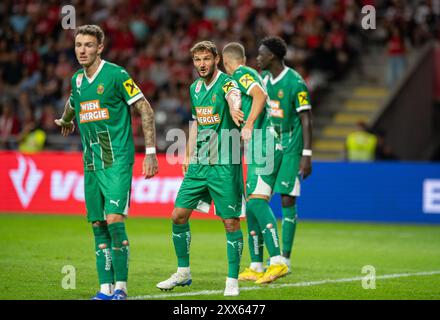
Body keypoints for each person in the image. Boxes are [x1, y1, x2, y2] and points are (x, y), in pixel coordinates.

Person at [54, 25, 158, 300]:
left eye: (88, 45)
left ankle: (121, 287)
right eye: (78, 45)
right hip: (91, 163)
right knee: (98, 224)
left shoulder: (116, 75)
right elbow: (73, 102)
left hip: (117, 161)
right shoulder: (76, 80)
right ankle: (104, 289)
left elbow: (144, 107)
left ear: (100, 47)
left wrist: (150, 151)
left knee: (114, 219)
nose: (82, 50)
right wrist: (66, 119)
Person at [156, 41, 244, 296]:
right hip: (198, 165)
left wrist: (234, 108)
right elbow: (196, 123)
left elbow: (233, 95)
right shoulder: (194, 88)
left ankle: (232, 281)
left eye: (206, 59)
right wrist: (187, 154)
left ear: (216, 58)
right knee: (178, 216)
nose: (202, 64)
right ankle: (183, 272)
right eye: (197, 60)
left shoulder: (227, 83)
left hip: (224, 165)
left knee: (230, 222)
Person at [222, 42, 289, 284]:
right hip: (257, 146)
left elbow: (259, 96)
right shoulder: (244, 78)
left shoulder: (241, 73)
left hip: (265, 143)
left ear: (225, 61)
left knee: (258, 203)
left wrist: (249, 123)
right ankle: (256, 265)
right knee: (251, 204)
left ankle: (278, 261)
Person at [256, 36, 313, 273]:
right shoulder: (264, 80)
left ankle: (285, 259)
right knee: (258, 198)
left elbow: (306, 118)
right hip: (270, 142)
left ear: (272, 56)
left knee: (287, 198)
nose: (257, 57)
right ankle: (258, 261)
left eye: (261, 54)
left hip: (291, 143)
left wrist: (306, 154)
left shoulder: (295, 82)